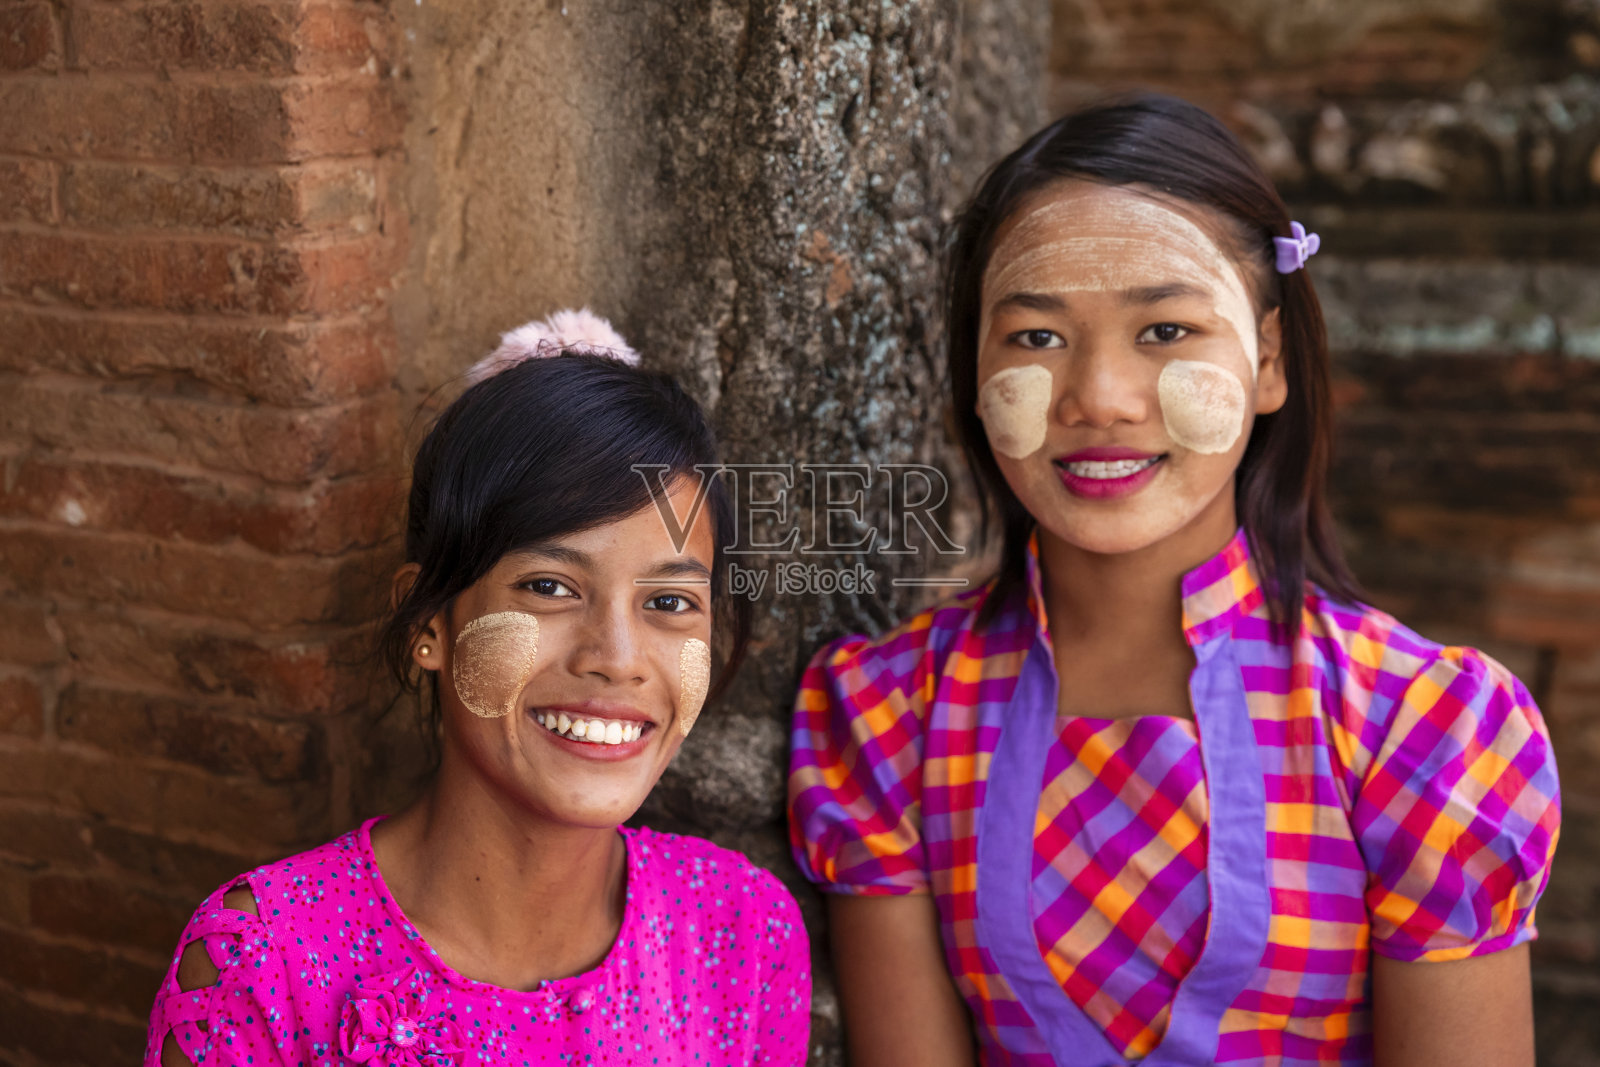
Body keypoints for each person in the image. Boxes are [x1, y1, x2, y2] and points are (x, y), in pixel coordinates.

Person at [788, 95, 1559, 1066]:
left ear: (1267, 360)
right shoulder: (889, 715)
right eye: (1036, 337)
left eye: (1164, 329)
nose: (1098, 398)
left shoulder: (1418, 731)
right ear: (973, 374)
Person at [147, 310, 811, 1066]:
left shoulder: (742, 933)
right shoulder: (263, 966)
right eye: (550, 586)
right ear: (429, 622)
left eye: (668, 601)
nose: (617, 659)